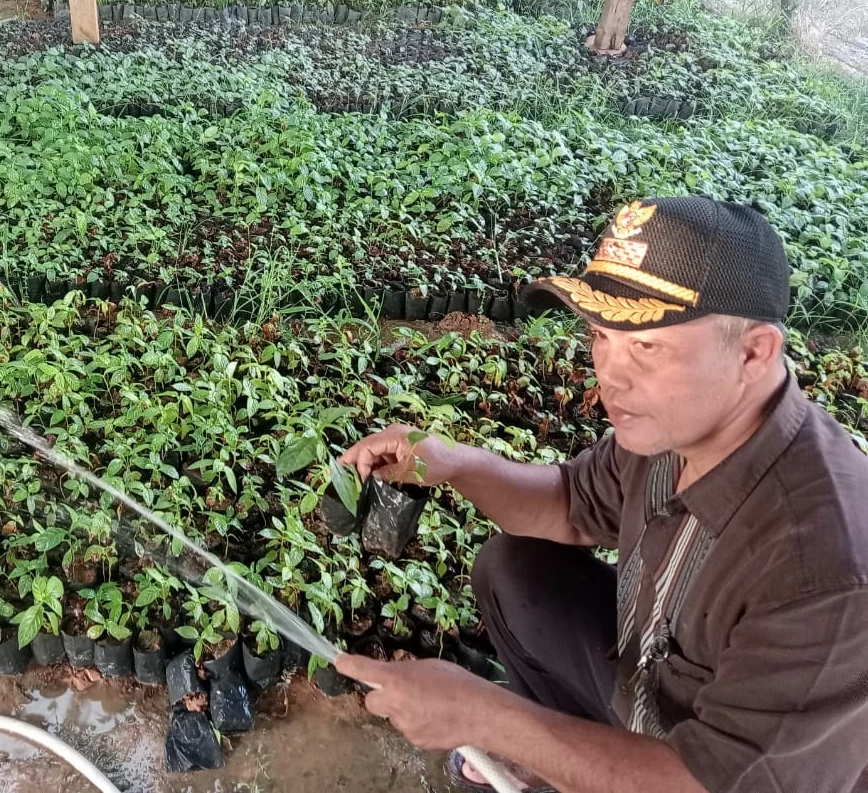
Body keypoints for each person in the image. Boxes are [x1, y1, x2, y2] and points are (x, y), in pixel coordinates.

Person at [335, 196, 868, 793]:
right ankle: (575, 760)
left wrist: (488, 717)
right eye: (600, 337)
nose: (610, 375)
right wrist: (454, 463)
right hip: (648, 693)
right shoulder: (678, 425)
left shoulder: (825, 567)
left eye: (647, 346)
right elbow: (570, 501)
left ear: (753, 352)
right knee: (515, 568)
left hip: (707, 772)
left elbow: (714, 783)